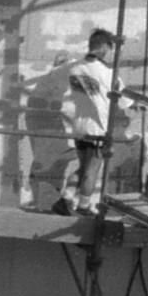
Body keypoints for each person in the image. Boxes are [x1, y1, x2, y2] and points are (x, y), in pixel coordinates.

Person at [56, 27, 124, 214]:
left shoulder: (75, 68)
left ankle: (67, 197)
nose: (111, 55)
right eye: (111, 50)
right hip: (97, 129)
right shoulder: (108, 73)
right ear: (104, 48)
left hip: (80, 127)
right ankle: (84, 206)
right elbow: (125, 99)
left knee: (83, 167)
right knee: (91, 170)